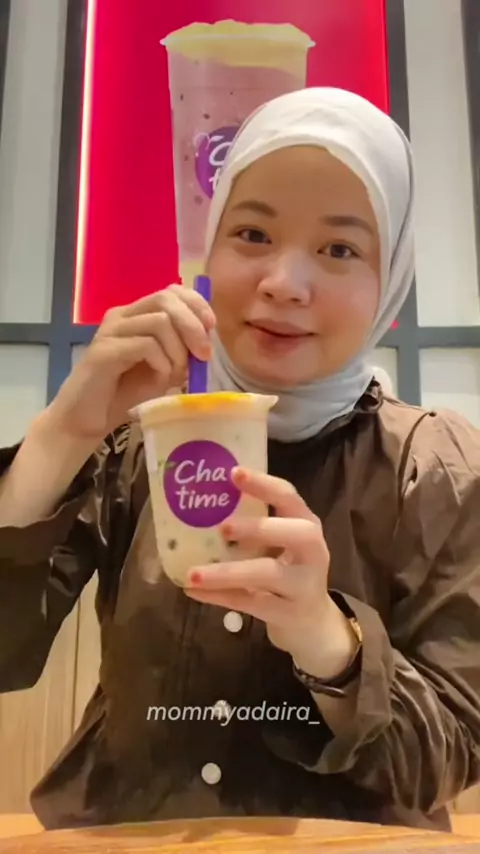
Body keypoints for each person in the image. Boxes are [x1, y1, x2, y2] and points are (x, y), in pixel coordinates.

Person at [1, 87, 480, 833]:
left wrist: (327, 639)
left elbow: (450, 754)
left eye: (339, 249)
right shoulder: (135, 445)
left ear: (389, 283)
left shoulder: (437, 469)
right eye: (252, 233)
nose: (283, 283)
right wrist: (64, 432)